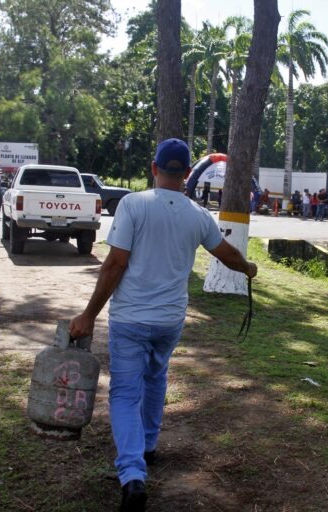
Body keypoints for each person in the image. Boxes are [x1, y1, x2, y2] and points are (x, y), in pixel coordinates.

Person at [69, 138, 257, 511]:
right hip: (169, 321)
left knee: (124, 393)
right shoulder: (197, 215)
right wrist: (248, 268)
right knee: (156, 379)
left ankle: (133, 474)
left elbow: (115, 264)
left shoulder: (133, 205)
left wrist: (89, 314)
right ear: (187, 174)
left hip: (130, 320)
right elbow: (227, 253)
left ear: (153, 168)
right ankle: (149, 446)